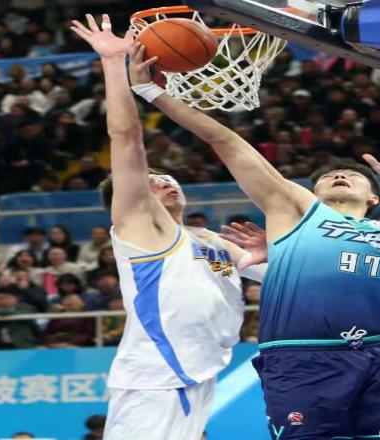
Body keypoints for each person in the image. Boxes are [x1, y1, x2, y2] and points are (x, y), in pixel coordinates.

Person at [132, 41, 380, 439]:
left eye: (353, 176)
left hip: (374, 354)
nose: (340, 176)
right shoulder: (296, 210)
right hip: (302, 357)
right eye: (329, 176)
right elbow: (226, 141)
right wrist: (150, 91)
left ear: (373, 198)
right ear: (312, 191)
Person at [69, 15, 266, 440]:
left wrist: (282, 251)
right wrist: (114, 63)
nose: (164, 181)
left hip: (199, 371)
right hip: (155, 375)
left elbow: (277, 274)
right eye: (152, 180)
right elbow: (126, 138)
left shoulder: (212, 240)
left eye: (167, 177)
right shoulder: (140, 227)